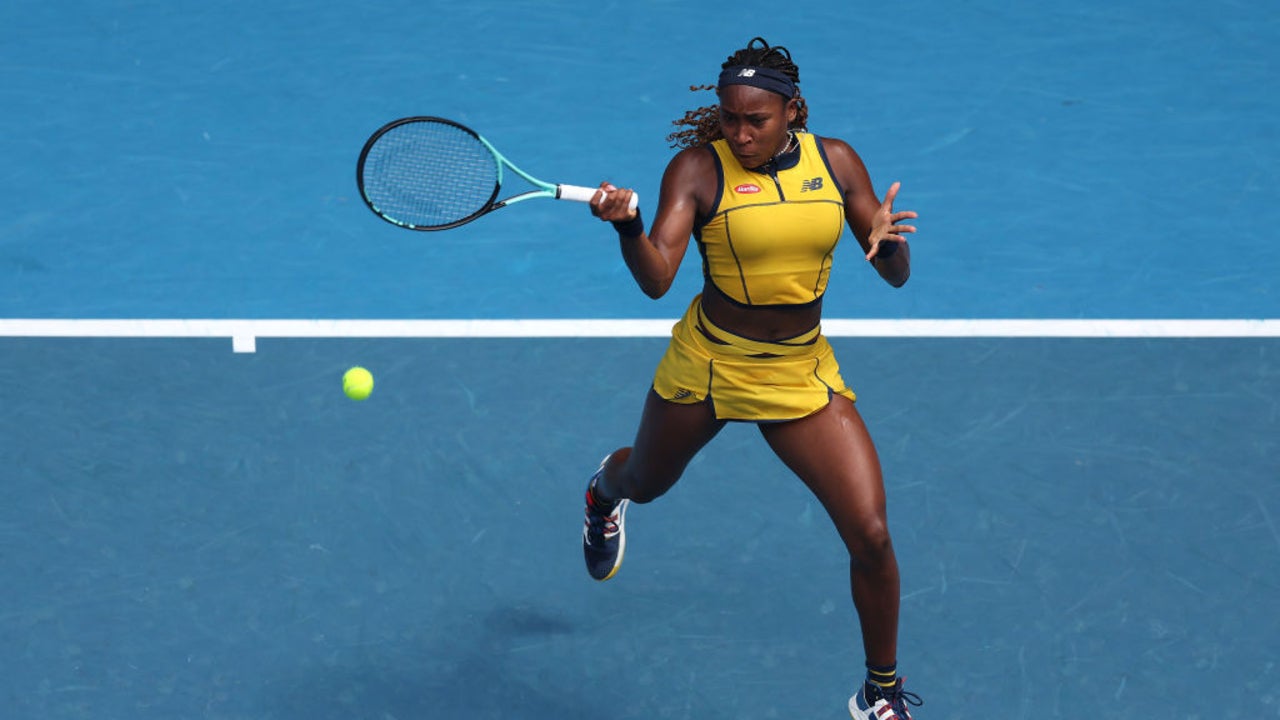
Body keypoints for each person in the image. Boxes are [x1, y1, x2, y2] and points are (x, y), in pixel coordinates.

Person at [582, 37, 923, 720]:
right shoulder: (696, 171)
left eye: (756, 120)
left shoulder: (837, 161)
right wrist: (629, 227)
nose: (739, 133)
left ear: (792, 111)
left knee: (872, 535)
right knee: (644, 484)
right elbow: (657, 281)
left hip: (799, 372)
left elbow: (893, 273)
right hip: (709, 366)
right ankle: (601, 493)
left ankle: (879, 693)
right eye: (729, 117)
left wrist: (890, 247)